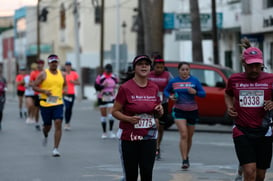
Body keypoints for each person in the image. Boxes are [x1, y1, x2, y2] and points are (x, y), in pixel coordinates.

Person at [225, 38, 273, 181]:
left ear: (262, 63)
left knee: (260, 175)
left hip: (264, 130)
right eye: (250, 66)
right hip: (242, 130)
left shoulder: (270, 79)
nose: (254, 69)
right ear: (243, 64)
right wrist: (229, 107)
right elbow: (228, 94)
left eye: (257, 65)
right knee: (250, 171)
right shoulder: (234, 79)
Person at [112, 55, 163, 181]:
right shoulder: (125, 88)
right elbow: (115, 111)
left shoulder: (154, 87)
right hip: (129, 137)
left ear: (150, 68)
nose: (144, 66)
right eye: (140, 64)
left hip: (149, 136)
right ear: (134, 68)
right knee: (131, 175)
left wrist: (160, 110)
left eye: (147, 64)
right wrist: (128, 119)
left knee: (147, 173)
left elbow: (157, 111)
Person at [164, 61, 206, 170]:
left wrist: (195, 92)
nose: (185, 72)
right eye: (182, 70)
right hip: (179, 111)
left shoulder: (194, 80)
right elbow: (165, 91)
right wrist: (171, 97)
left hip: (192, 111)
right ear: (179, 71)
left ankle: (186, 155)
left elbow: (203, 94)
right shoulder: (174, 81)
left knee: (189, 137)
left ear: (189, 70)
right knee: (183, 134)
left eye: (187, 69)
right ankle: (184, 160)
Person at [33, 54, 66, 157]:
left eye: (55, 62)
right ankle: (45, 132)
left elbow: (64, 84)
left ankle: (55, 148)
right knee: (48, 126)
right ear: (49, 63)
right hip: (45, 103)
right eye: (52, 62)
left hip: (58, 103)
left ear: (58, 63)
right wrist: (44, 91)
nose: (54, 64)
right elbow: (34, 86)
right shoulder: (43, 74)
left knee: (58, 122)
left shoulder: (62, 74)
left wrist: (63, 90)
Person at [148, 57, 173, 160]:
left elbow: (173, 86)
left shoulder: (168, 75)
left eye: (161, 67)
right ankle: (152, 147)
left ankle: (157, 146)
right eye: (157, 67)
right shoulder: (149, 75)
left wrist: (171, 94)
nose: (159, 69)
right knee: (155, 125)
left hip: (163, 103)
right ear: (154, 67)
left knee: (161, 128)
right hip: (151, 103)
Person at [95, 64, 118, 139]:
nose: (109, 73)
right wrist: (103, 86)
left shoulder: (114, 76)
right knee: (103, 115)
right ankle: (104, 132)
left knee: (111, 114)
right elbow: (96, 87)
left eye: (110, 71)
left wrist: (116, 86)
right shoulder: (100, 77)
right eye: (107, 71)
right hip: (102, 97)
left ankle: (111, 131)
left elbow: (117, 83)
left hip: (111, 96)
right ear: (105, 70)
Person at [63, 61, 80, 130]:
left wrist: (73, 82)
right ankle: (66, 123)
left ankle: (68, 122)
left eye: (69, 66)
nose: (68, 67)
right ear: (65, 67)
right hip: (64, 93)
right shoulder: (62, 74)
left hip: (71, 94)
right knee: (66, 108)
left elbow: (79, 82)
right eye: (67, 66)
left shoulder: (74, 74)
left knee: (69, 109)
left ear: (71, 66)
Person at [29, 59, 45, 130]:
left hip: (45, 93)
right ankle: (37, 123)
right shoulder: (34, 73)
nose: (39, 65)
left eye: (41, 63)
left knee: (45, 109)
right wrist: (34, 84)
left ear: (43, 65)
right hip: (37, 93)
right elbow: (30, 83)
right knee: (37, 109)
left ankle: (45, 122)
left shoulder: (45, 72)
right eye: (38, 63)